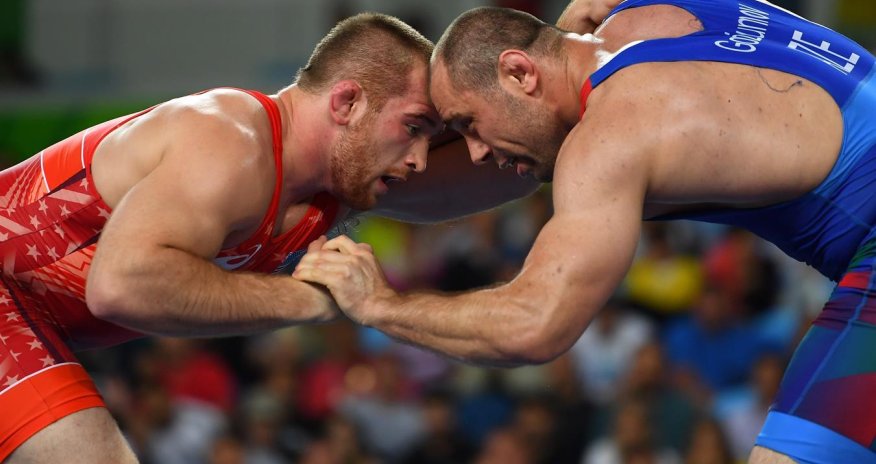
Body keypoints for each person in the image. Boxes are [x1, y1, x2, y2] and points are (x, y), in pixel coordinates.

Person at [292, 1, 876, 463]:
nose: (475, 153)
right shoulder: (641, 15)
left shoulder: (610, 137)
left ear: (520, 71)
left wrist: (379, 306)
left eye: (469, 124)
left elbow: (534, 326)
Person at [0, 11, 549, 463]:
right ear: (347, 103)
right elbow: (121, 286)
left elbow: (482, 172)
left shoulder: (330, 186)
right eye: (413, 128)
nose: (420, 159)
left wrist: (567, 110)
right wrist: (311, 300)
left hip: (36, 322)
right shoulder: (228, 139)